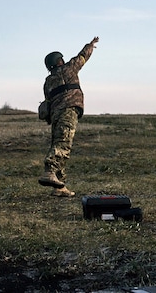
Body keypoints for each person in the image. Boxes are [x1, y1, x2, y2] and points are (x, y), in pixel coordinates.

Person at [38, 36, 99, 197]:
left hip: (56, 114)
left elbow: (48, 101)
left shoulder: (48, 81)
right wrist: (91, 45)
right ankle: (50, 170)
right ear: (59, 61)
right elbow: (83, 56)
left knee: (59, 142)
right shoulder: (69, 69)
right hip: (68, 110)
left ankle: (59, 186)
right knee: (64, 144)